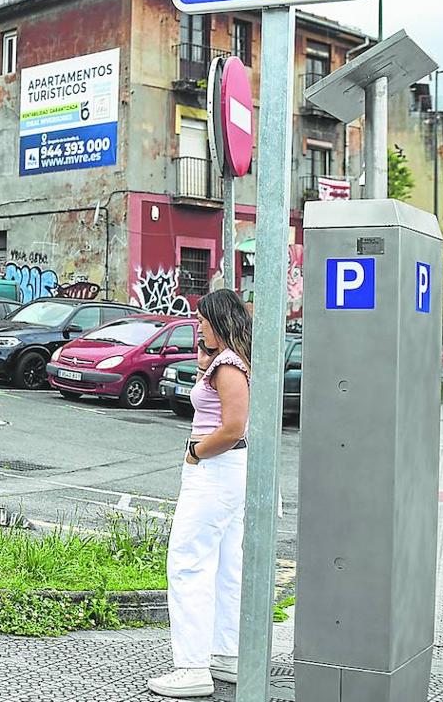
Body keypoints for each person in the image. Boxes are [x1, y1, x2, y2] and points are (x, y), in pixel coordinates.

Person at [148, 290, 251, 699]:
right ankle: (225, 654)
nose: (199, 326)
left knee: (188, 563)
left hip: (213, 470)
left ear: (219, 321)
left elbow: (233, 428)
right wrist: (205, 359)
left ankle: (192, 668)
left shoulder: (228, 367)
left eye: (203, 320)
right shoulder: (229, 361)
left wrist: (195, 451)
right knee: (226, 563)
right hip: (228, 474)